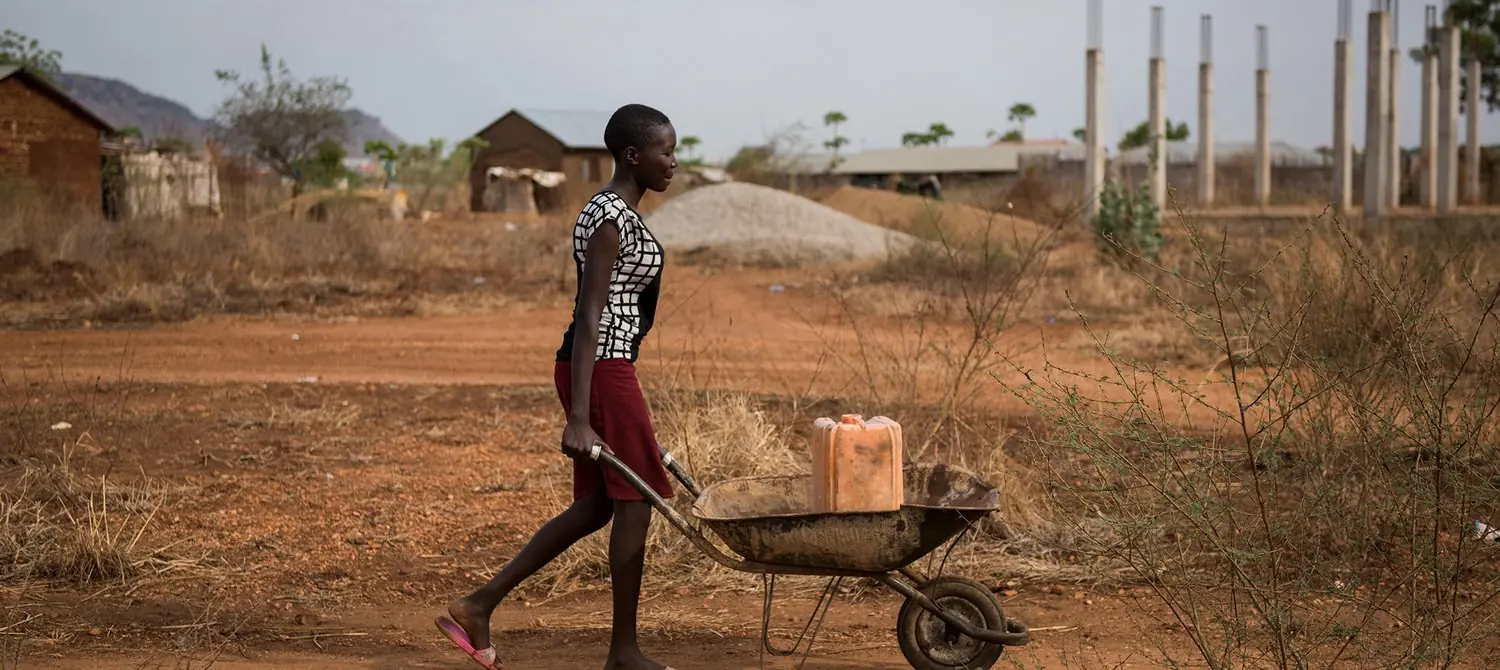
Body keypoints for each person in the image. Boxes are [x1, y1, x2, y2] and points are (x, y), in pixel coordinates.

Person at [435, 103, 680, 670]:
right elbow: (592, 311)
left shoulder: (619, 212)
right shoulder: (611, 217)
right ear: (632, 155)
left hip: (602, 366)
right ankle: (623, 653)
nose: (674, 163)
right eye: (665, 152)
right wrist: (579, 415)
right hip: (602, 365)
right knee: (638, 498)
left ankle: (477, 604)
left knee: (598, 504)